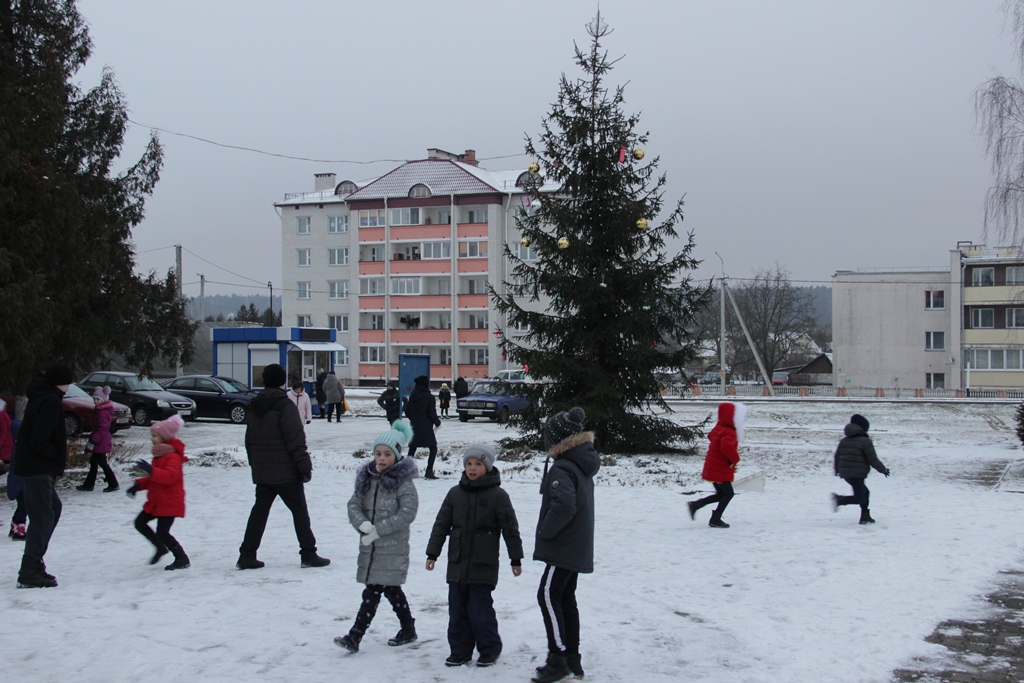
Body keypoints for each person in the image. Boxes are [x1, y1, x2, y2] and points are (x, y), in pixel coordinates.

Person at [426, 443, 523, 668]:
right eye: (469, 464)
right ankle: (459, 651)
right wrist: (432, 553)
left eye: (478, 464)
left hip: (483, 564)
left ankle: (489, 649)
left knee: (480, 610)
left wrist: (516, 558)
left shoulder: (498, 496)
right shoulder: (454, 494)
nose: (472, 468)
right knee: (457, 611)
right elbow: (441, 525)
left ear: (487, 467)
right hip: (457, 563)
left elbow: (510, 529)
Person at [335, 420, 420, 653]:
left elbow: (408, 512)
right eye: (378, 453)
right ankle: (408, 628)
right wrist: (362, 524)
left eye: (387, 454)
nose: (381, 459)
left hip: (392, 547)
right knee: (390, 589)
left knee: (373, 590)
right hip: (370, 548)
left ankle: (355, 636)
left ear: (397, 456)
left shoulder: (402, 483)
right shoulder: (366, 479)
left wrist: (378, 530)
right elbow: (354, 504)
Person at [237, 364, 330, 570]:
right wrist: (304, 466)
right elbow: (295, 440)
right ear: (282, 382)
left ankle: (247, 555)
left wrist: (255, 465)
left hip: (263, 471)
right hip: (286, 471)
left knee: (259, 512)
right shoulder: (285, 406)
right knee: (299, 512)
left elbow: (249, 440)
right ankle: (308, 554)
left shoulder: (255, 405)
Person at [531, 407, 600, 683]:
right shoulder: (579, 463)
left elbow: (564, 506)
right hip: (575, 545)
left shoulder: (563, 467)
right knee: (565, 597)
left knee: (547, 595)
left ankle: (558, 657)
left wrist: (546, 531)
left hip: (564, 546)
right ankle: (572, 658)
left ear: (556, 439)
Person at [13, 362, 74, 588]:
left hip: (35, 467)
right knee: (43, 517)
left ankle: (34, 563)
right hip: (37, 468)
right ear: (61, 382)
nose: (69, 387)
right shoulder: (50, 401)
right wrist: (56, 456)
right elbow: (39, 439)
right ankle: (29, 570)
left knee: (52, 510)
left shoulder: (43, 396)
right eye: (68, 382)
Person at [126, 415, 190, 570]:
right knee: (139, 523)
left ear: (164, 438)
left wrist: (151, 470)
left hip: (169, 502)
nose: (152, 438)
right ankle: (160, 548)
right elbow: (155, 479)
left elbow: (168, 477)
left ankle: (182, 558)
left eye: (155, 436)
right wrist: (138, 485)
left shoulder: (172, 457)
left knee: (163, 532)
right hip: (157, 501)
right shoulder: (160, 455)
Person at [687, 402, 747, 528]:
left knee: (721, 494)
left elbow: (712, 437)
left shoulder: (720, 428)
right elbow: (727, 447)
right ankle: (715, 519)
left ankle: (696, 505)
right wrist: (735, 459)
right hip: (720, 469)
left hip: (714, 467)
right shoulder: (729, 432)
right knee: (728, 494)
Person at [831, 413, 890, 524]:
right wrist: (884, 470)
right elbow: (873, 459)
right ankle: (840, 500)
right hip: (857, 474)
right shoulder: (865, 442)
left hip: (846, 474)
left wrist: (837, 470)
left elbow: (837, 456)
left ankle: (865, 516)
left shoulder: (844, 441)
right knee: (860, 497)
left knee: (865, 493)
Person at [75, 386, 119, 492]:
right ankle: (90, 484)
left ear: (103, 400)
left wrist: (93, 440)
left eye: (97, 399)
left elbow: (102, 429)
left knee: (100, 462)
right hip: (101, 440)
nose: (95, 401)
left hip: (100, 441)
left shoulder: (102, 412)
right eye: (94, 399)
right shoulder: (100, 410)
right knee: (95, 462)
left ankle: (112, 484)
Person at [404, 375, 441, 479]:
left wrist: (413, 419)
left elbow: (407, 411)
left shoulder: (413, 396)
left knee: (412, 448)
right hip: (426, 427)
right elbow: (431, 412)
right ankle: (429, 471)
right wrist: (437, 423)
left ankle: (407, 470)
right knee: (433, 448)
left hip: (414, 426)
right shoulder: (429, 397)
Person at [1, 399, 24, 541]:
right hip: (20, 483)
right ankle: (18, 531)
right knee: (24, 506)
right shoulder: (20, 450)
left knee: (22, 506)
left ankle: (14, 527)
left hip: (18, 482)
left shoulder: (18, 448)